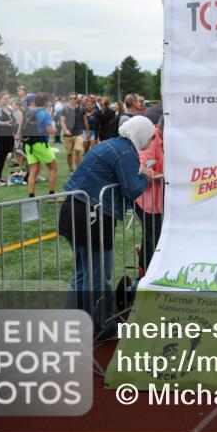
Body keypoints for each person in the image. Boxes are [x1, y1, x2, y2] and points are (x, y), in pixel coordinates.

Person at [58, 116, 153, 337]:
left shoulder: (110, 144)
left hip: (73, 210)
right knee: (99, 277)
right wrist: (145, 176)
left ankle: (72, 324)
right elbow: (132, 190)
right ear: (140, 134)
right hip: (94, 217)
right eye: (150, 136)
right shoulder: (127, 151)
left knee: (81, 274)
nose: (151, 140)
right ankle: (99, 326)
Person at [133, 118, 164, 275]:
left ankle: (143, 273)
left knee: (151, 238)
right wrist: (164, 176)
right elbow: (142, 167)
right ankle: (149, 276)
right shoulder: (150, 140)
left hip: (160, 201)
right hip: (146, 200)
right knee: (155, 239)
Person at [21, 93, 59, 198]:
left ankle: (31, 196)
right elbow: (50, 131)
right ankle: (52, 195)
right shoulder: (45, 113)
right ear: (46, 102)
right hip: (40, 144)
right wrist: (54, 129)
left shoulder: (29, 111)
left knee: (33, 171)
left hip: (29, 144)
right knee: (53, 168)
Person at [61, 92, 87, 171]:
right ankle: (71, 169)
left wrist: (87, 131)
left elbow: (85, 120)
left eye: (74, 98)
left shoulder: (82, 109)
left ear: (77, 99)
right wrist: (66, 130)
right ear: (69, 99)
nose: (72, 100)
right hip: (68, 135)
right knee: (69, 154)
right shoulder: (65, 109)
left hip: (78, 133)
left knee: (78, 151)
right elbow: (62, 121)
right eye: (71, 98)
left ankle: (78, 170)